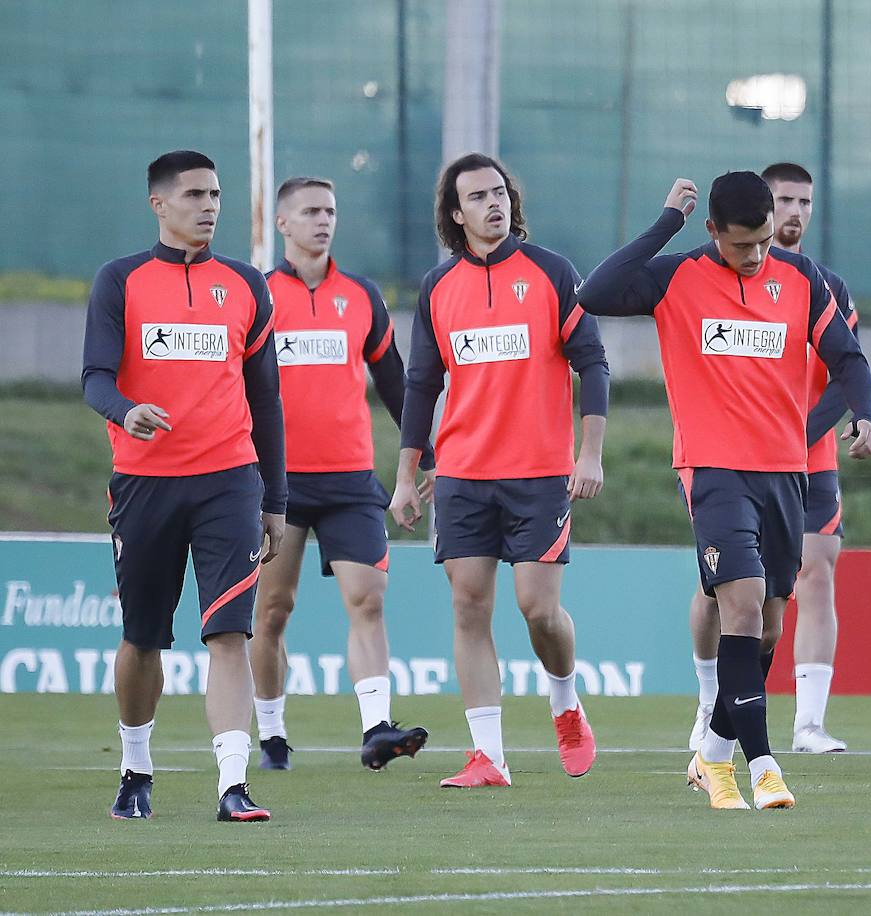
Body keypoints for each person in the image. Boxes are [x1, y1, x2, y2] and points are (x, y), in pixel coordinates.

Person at [579, 172, 871, 810]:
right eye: (743, 246)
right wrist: (666, 224)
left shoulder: (800, 281)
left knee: (767, 627)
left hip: (785, 472)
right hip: (713, 470)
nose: (757, 256)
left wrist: (867, 413)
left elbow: (848, 357)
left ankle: (712, 753)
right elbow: (595, 290)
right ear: (713, 231)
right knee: (739, 606)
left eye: (765, 242)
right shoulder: (677, 277)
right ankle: (761, 765)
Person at [390, 153, 608, 788]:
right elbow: (421, 383)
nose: (494, 204)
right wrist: (408, 474)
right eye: (478, 197)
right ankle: (489, 755)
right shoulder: (437, 287)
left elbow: (591, 363)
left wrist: (588, 452)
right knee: (468, 608)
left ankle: (565, 702)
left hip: (540, 475)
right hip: (461, 474)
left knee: (538, 611)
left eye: (500, 193)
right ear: (456, 215)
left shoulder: (550, 272)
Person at [82, 150, 286, 822]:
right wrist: (125, 411)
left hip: (229, 481)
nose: (209, 206)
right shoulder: (120, 281)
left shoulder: (248, 286)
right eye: (195, 194)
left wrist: (274, 498)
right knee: (142, 638)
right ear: (159, 204)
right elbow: (95, 379)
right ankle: (135, 768)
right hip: (144, 484)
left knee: (230, 633)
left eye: (217, 194)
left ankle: (233, 785)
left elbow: (267, 399)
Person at [250, 176, 431, 772]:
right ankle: (272, 732)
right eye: (308, 212)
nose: (322, 221)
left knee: (368, 599)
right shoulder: (258, 294)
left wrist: (423, 455)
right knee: (273, 612)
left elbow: (393, 381)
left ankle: (377, 729)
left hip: (351, 479)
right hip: (275, 481)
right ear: (282, 224)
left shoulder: (361, 296)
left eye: (329, 210)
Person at [686, 162, 859, 755]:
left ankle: (807, 723)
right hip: (725, 459)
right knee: (723, 592)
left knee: (809, 581)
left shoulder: (821, 284)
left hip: (806, 457)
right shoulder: (701, 278)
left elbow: (848, 367)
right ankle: (714, 703)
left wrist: (803, 432)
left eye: (805, 202)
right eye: (783, 199)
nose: (794, 213)